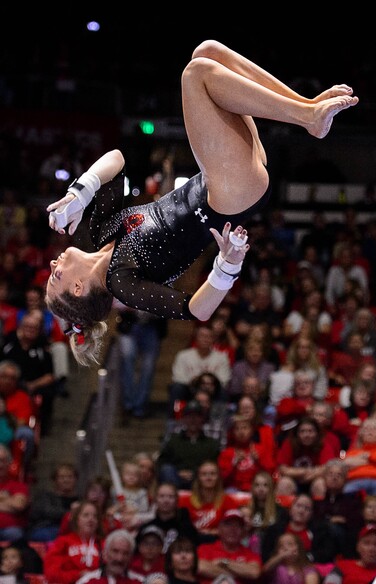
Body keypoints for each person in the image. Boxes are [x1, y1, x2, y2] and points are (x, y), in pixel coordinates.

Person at [44, 40, 358, 367]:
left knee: (208, 53)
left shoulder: (100, 230)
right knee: (196, 75)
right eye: (56, 278)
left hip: (222, 176)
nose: (53, 266)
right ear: (78, 288)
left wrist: (80, 193)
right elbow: (198, 309)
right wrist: (228, 265)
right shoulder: (122, 283)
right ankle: (309, 116)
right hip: (225, 196)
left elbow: (117, 160)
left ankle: (308, 107)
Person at [114, 302, 167, 419]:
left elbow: (168, 302)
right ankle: (128, 403)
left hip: (153, 324)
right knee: (127, 361)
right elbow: (115, 298)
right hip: (129, 323)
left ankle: (139, 405)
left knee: (148, 367)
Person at [156, 399, 220, 489]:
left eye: (196, 417)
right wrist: (179, 472)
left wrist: (196, 473)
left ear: (202, 419)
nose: (193, 420)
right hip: (175, 479)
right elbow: (162, 462)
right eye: (189, 416)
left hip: (201, 480)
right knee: (167, 470)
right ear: (184, 419)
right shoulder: (174, 441)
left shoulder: (211, 443)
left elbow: (214, 465)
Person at [44, 500, 104, 584]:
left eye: (95, 516)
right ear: (77, 519)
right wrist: (78, 575)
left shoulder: (103, 544)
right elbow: (51, 575)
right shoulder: (63, 542)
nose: (91, 519)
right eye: (86, 515)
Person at [197, 508, 262, 584]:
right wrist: (241, 573)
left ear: (243, 531)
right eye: (228, 524)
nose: (233, 529)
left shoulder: (250, 554)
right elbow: (199, 567)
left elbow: (254, 573)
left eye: (237, 525)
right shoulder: (204, 549)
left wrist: (224, 562)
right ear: (219, 529)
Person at [26, 461, 79, 542]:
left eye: (70, 477)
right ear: (55, 480)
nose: (66, 480)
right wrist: (71, 513)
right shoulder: (45, 496)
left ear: (75, 479)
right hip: (46, 528)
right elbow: (49, 512)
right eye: (62, 477)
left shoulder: (79, 500)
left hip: (70, 530)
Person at [75, 528, 143, 584]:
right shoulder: (87, 581)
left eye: (125, 553)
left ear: (131, 557)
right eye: (115, 551)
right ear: (105, 554)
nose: (119, 558)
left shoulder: (140, 581)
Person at [0, 442, 29, 542]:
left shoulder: (19, 486)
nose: (0, 465)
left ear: (9, 463)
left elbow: (18, 505)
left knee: (14, 534)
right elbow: (14, 504)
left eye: (3, 461)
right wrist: (6, 499)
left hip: (11, 530)